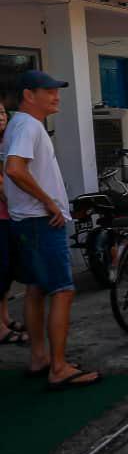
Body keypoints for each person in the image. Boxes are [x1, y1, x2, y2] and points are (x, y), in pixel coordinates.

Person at [1, 70, 99, 389]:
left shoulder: (20, 124)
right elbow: (14, 169)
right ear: (29, 95)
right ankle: (58, 366)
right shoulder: (28, 125)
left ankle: (40, 357)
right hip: (40, 221)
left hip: (28, 220)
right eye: (49, 91)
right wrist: (49, 202)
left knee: (36, 288)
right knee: (63, 290)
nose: (56, 96)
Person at [0, 103, 27, 346]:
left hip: (9, 216)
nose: (0, 118)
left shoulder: (7, 142)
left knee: (7, 271)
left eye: (1, 112)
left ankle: (5, 318)